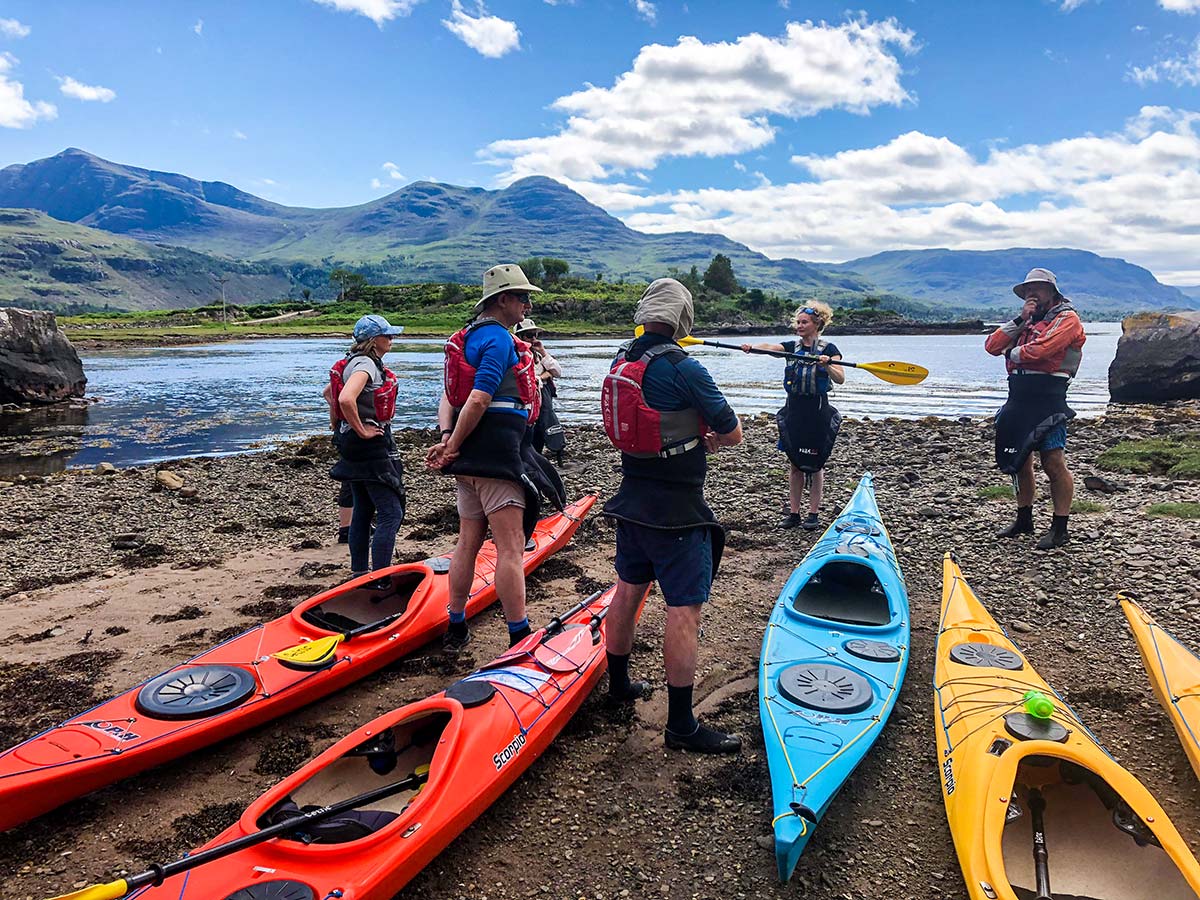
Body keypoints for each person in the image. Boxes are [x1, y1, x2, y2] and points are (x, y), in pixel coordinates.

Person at [600, 277, 744, 754]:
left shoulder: (623, 359)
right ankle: (681, 725)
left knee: (628, 591)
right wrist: (708, 437)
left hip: (632, 500)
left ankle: (618, 685)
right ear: (684, 318)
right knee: (683, 610)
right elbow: (733, 431)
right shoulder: (686, 367)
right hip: (679, 511)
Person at [427, 264, 564, 653]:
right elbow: (480, 398)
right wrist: (451, 445)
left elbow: (450, 399)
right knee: (510, 546)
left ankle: (456, 626)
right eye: (522, 297)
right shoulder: (499, 340)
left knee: (467, 542)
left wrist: (449, 438)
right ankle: (519, 636)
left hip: (469, 462)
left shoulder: (465, 338)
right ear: (502, 300)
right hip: (495, 458)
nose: (528, 304)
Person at [985, 267, 1086, 550]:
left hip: (1048, 398)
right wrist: (1020, 319)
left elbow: (1042, 351)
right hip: (1018, 397)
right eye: (1028, 291)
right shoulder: (1025, 320)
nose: (1032, 294)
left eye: (1037, 289)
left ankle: (1060, 527)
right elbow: (991, 345)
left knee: (1053, 461)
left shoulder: (1068, 319)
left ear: (1052, 292)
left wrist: (1011, 353)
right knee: (1020, 461)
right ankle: (1024, 519)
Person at [741, 302, 844, 530]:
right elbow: (771, 347)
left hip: (818, 411)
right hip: (794, 410)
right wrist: (753, 347)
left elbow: (840, 378)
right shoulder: (791, 346)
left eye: (804, 322)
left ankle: (813, 514)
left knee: (816, 464)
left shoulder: (829, 349)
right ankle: (794, 513)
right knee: (795, 463)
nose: (799, 326)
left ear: (817, 324)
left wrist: (827, 366)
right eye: (797, 322)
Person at [329, 314, 407, 581]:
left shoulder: (351, 361)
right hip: (368, 445)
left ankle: (360, 572)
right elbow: (345, 397)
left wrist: (340, 426)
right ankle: (382, 578)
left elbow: (329, 393)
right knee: (390, 512)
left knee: (362, 507)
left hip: (350, 444)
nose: (392, 339)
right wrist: (362, 429)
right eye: (388, 335)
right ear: (374, 341)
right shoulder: (366, 365)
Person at [515, 318, 567, 463]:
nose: (533, 339)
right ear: (520, 337)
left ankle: (534, 459)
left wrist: (543, 352)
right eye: (529, 335)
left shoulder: (538, 355)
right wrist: (542, 376)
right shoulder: (516, 355)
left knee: (540, 430)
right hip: (525, 402)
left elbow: (556, 371)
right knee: (526, 431)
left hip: (541, 401)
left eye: (534, 335)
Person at [322, 381, 355, 543]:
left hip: (344, 430)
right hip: (353, 432)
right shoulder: (361, 367)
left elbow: (329, 393)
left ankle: (348, 527)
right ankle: (347, 528)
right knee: (353, 479)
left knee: (351, 479)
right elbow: (329, 393)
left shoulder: (347, 366)